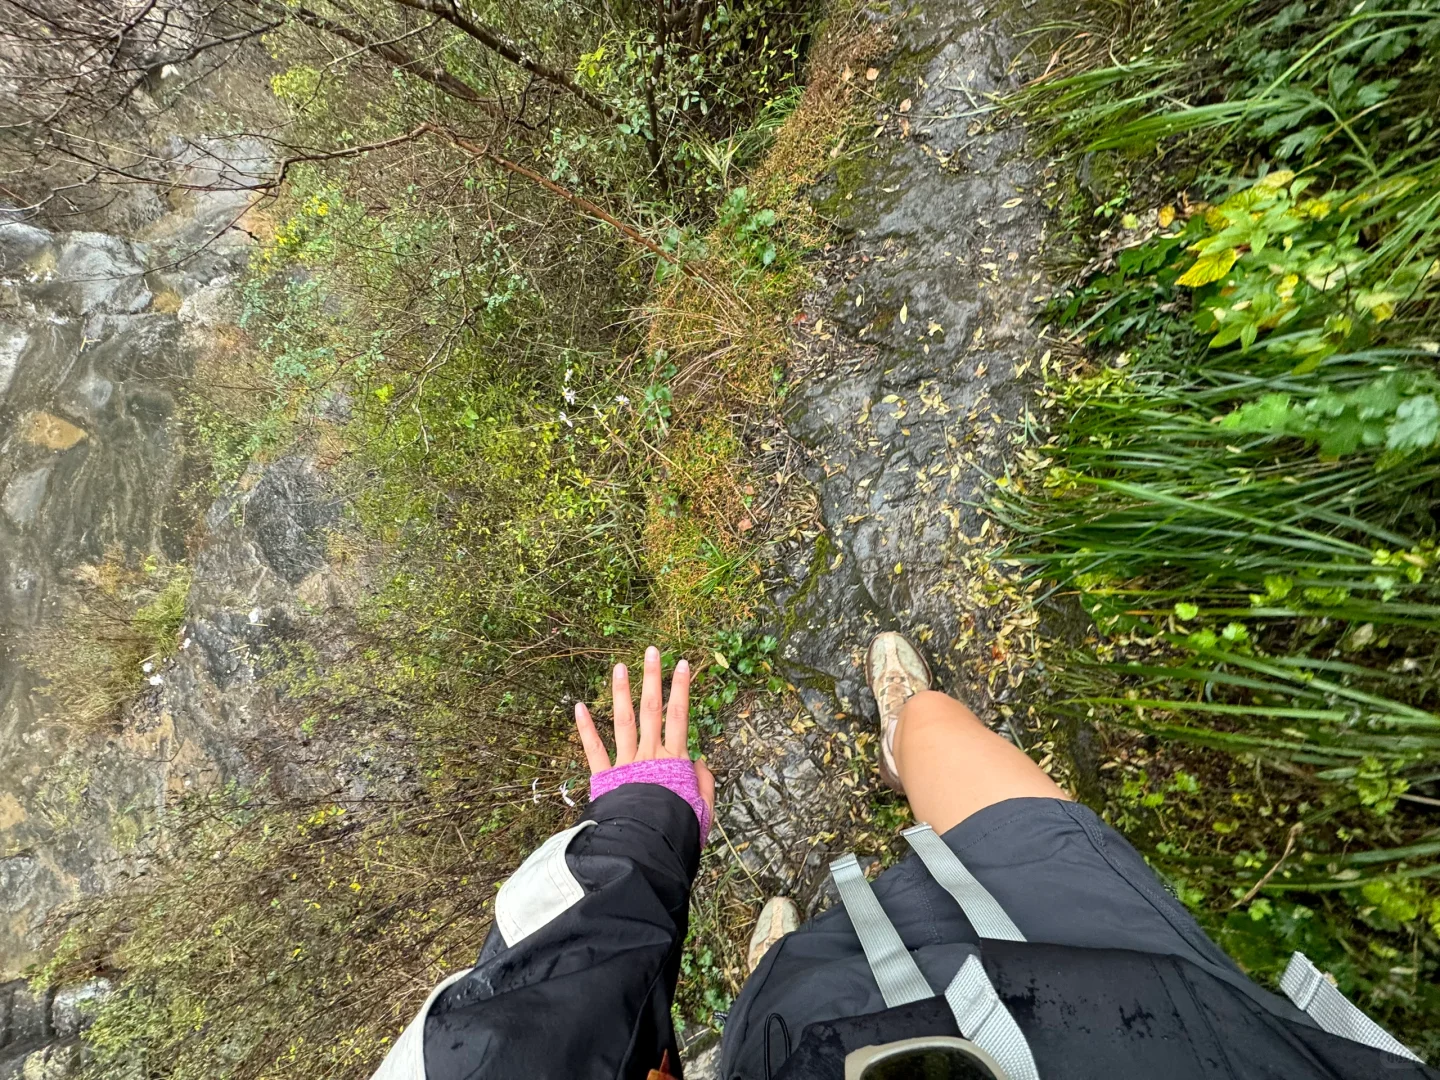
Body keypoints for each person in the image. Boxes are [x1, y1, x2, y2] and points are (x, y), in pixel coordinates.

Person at [370, 633, 1437, 1080]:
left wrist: (648, 832)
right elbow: (526, 1024)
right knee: (936, 725)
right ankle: (903, 739)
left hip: (821, 1042)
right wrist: (645, 824)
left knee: (782, 997)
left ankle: (763, 987)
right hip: (1132, 999)